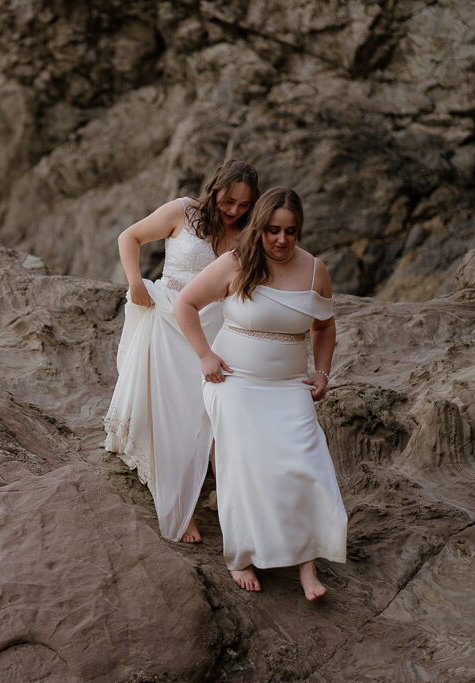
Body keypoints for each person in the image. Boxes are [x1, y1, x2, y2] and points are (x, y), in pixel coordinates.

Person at [174, 187, 346, 599]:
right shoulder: (236, 263)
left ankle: (307, 565)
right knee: (246, 466)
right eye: (272, 230)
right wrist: (205, 355)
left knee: (306, 465)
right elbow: (185, 303)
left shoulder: (314, 270)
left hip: (289, 387)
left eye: (290, 231)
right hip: (234, 383)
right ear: (260, 227)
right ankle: (242, 554)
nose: (281, 240)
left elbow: (323, 325)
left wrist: (322, 372)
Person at [104, 160, 259, 543]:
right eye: (229, 200)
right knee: (171, 412)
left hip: (214, 328)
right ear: (215, 188)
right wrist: (136, 282)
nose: (234, 210)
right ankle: (179, 505)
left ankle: (235, 504)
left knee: (209, 415)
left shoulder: (245, 233)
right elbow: (129, 237)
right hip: (169, 319)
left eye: (244, 204)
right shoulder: (183, 211)